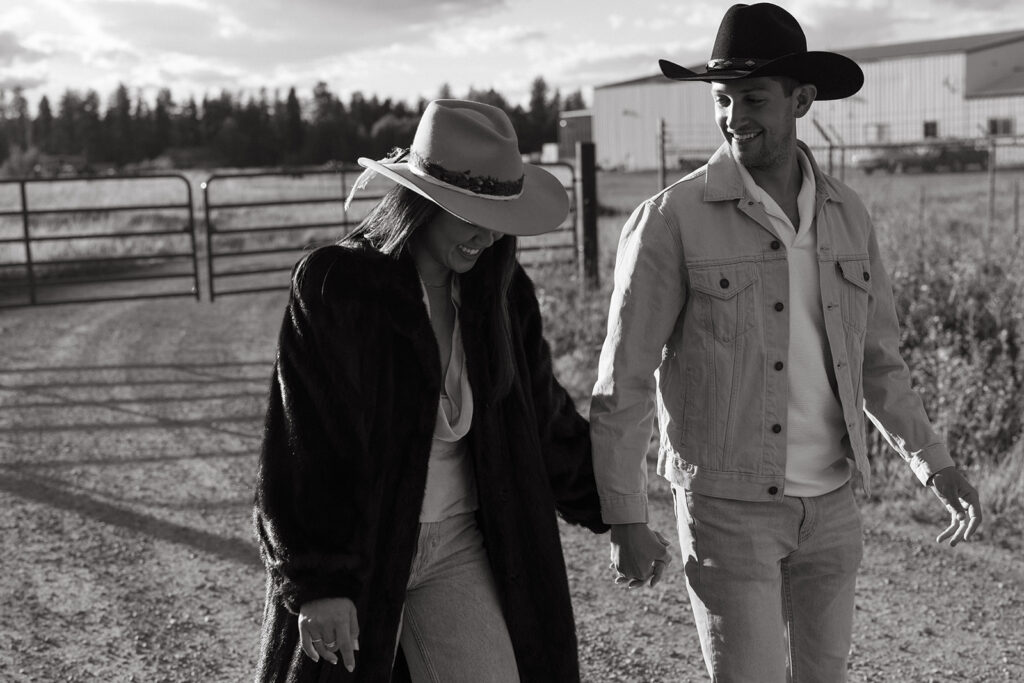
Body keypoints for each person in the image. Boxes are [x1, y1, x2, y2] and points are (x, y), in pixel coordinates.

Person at [589, 3, 983, 681]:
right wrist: (626, 516)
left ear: (802, 100)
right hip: (728, 511)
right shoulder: (670, 221)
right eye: (723, 98)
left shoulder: (849, 214)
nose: (734, 115)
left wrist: (935, 462)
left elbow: (877, 363)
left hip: (832, 509)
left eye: (753, 98)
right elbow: (621, 382)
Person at [253, 99, 608, 683]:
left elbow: (544, 419)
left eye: (500, 216)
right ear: (424, 203)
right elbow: (300, 448)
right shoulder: (339, 287)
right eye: (471, 212)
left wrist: (616, 506)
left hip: (462, 545)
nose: (489, 235)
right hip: (359, 550)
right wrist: (318, 582)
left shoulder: (502, 290)